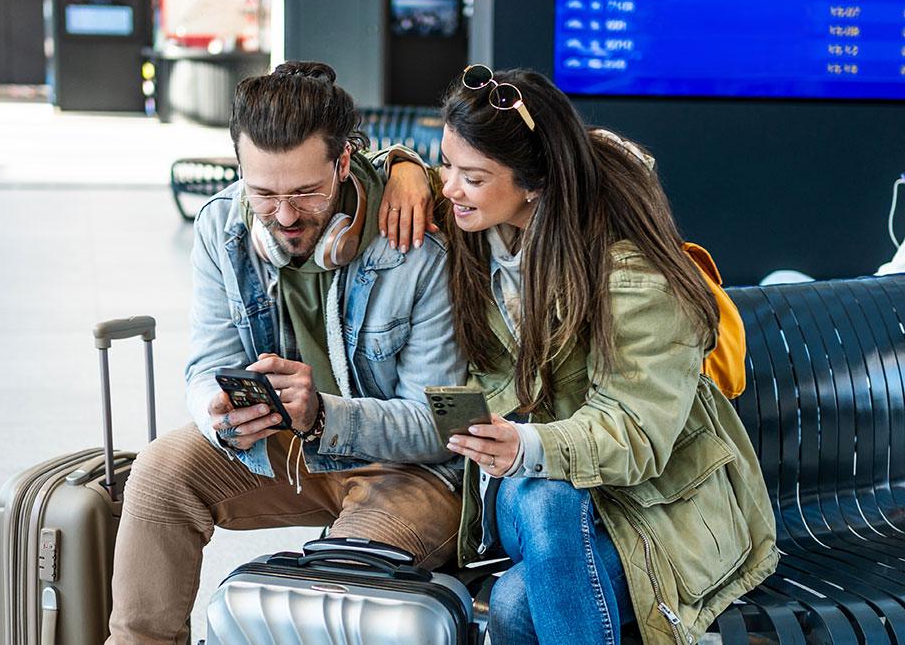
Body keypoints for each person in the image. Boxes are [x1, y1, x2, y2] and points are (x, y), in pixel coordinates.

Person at [382, 65, 779, 645]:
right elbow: (342, 178)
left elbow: (636, 432)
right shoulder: (469, 226)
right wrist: (401, 168)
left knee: (518, 605)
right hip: (534, 500)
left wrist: (529, 445)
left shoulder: (633, 273)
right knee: (547, 498)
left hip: (655, 507)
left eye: (471, 176)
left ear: (534, 183)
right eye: (444, 163)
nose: (448, 189)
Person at [106, 61, 466, 644]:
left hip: (409, 470)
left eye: (306, 191)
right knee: (159, 474)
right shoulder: (222, 225)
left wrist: (324, 414)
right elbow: (205, 366)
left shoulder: (416, 247)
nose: (285, 215)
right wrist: (218, 413)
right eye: (263, 192)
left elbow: (441, 425)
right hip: (288, 447)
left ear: (345, 161)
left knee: (333, 589)